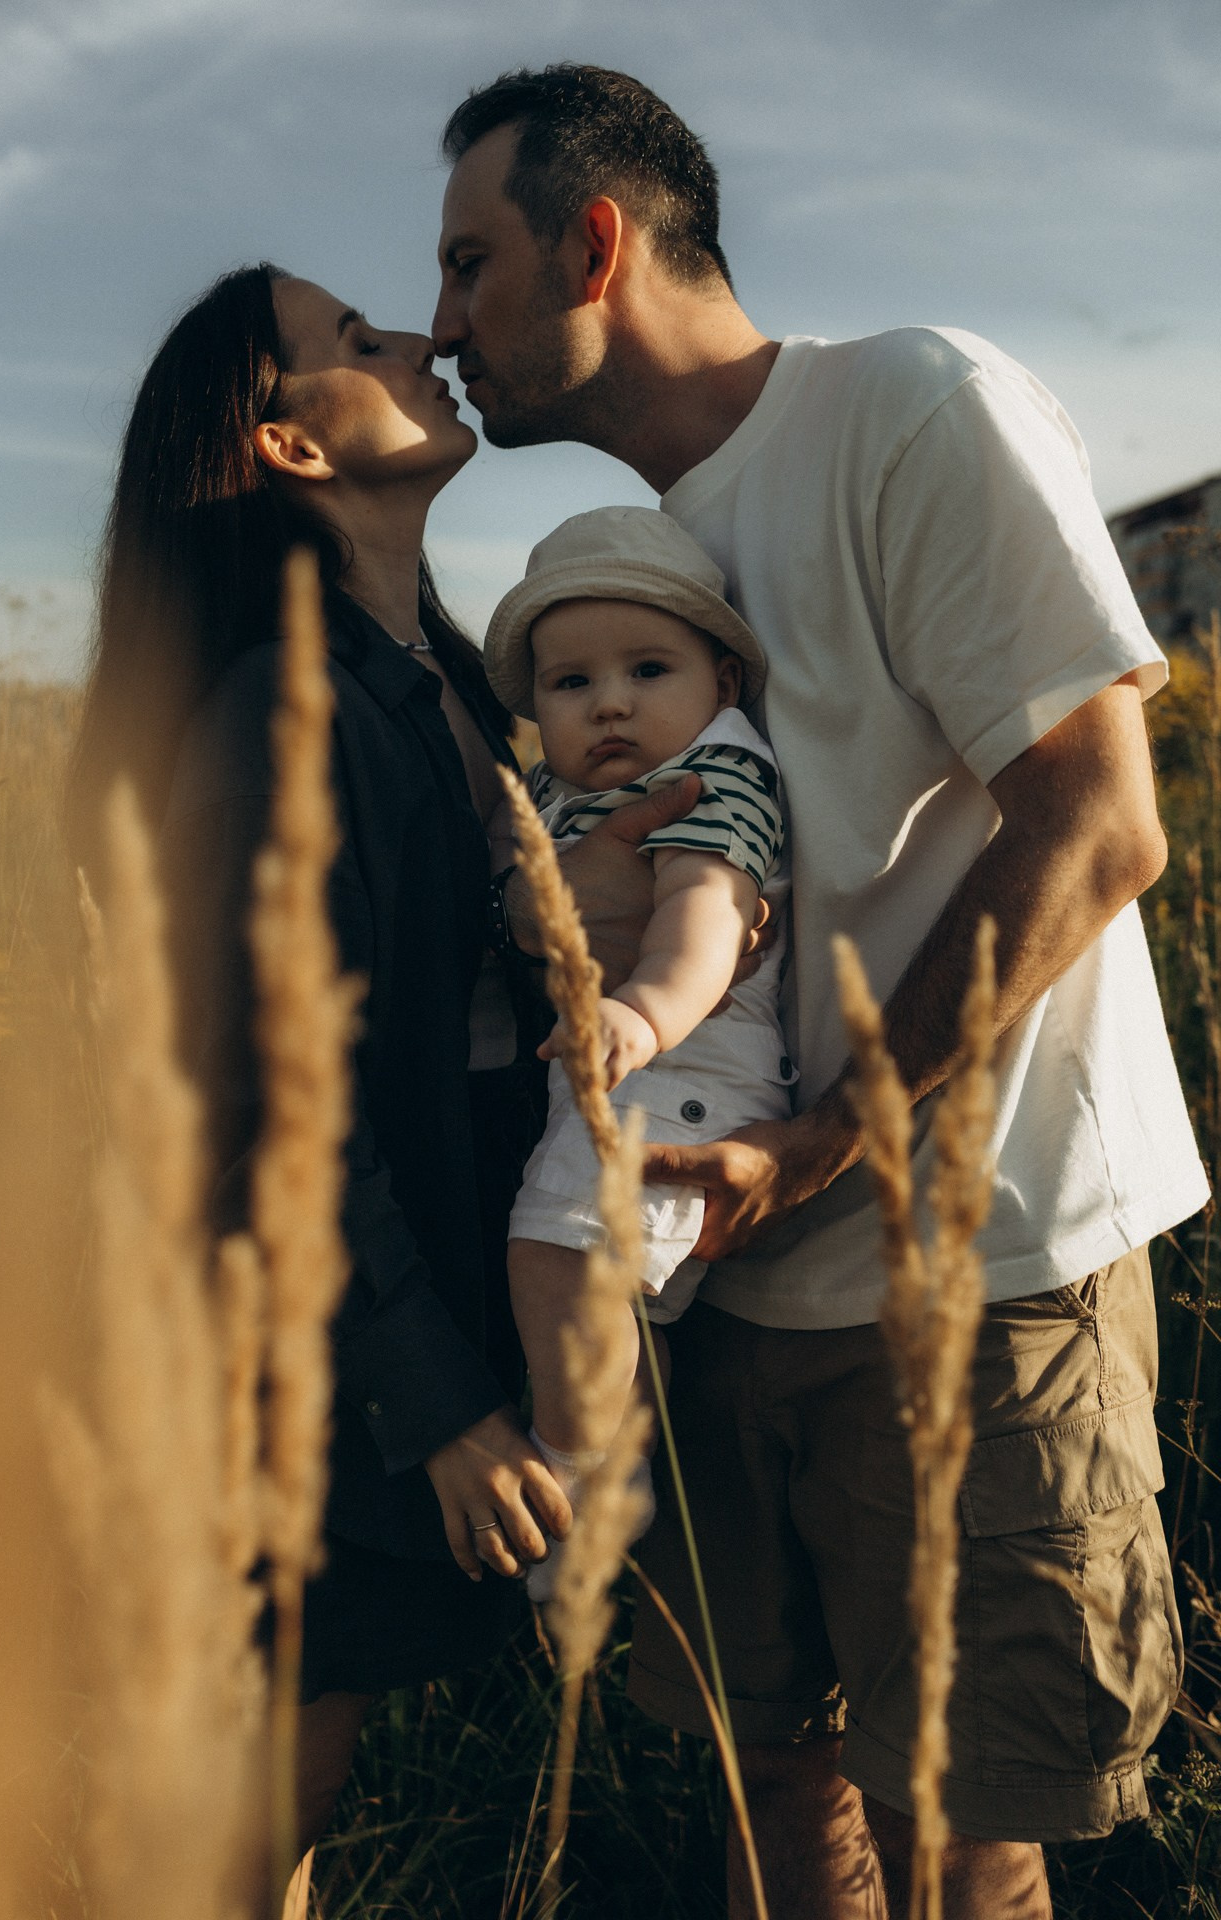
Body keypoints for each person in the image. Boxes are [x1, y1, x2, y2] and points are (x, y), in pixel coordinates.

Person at [431, 64, 1209, 1920]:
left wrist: (829, 1138)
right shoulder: (651, 559)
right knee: (771, 1785)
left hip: (969, 1280)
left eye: (472, 264)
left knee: (962, 1827)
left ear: (596, 244)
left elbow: (1100, 828)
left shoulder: (911, 407)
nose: (444, 324)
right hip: (719, 1286)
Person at [64, 263, 594, 1882]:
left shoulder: (433, 677)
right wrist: (434, 1408)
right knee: (272, 1781)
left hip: (438, 1267)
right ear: (291, 449)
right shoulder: (278, 711)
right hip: (345, 1336)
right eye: (356, 344)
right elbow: (270, 1102)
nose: (421, 340)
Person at [481, 504, 794, 1585]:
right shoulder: (565, 790)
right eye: (570, 686)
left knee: (551, 1252)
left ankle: (583, 1476)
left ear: (723, 682)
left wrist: (643, 1010)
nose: (608, 702)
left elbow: (708, 913)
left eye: (646, 668)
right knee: (586, 1282)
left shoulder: (712, 774)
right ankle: (608, 1454)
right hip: (627, 1071)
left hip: (681, 1064)